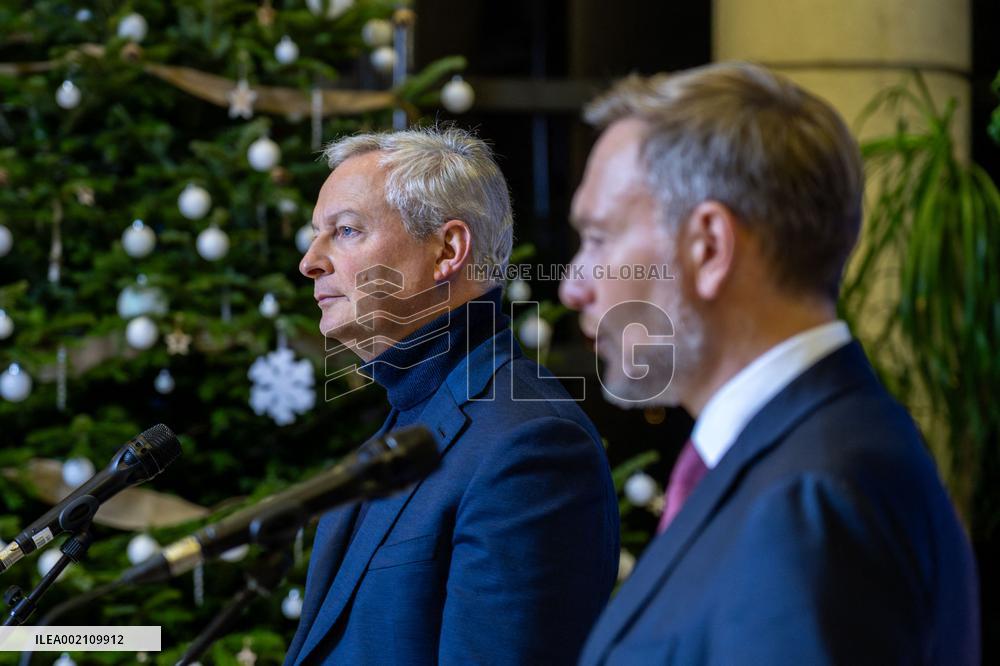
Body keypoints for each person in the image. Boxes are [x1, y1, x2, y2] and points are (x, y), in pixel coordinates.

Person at [559, 62, 979, 664]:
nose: (574, 285)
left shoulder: (809, 499)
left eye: (598, 239)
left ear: (708, 246)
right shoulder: (806, 456)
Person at [287, 126, 619, 665]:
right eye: (315, 234)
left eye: (345, 231)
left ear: (448, 250)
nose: (310, 262)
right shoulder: (410, 414)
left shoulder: (531, 443)